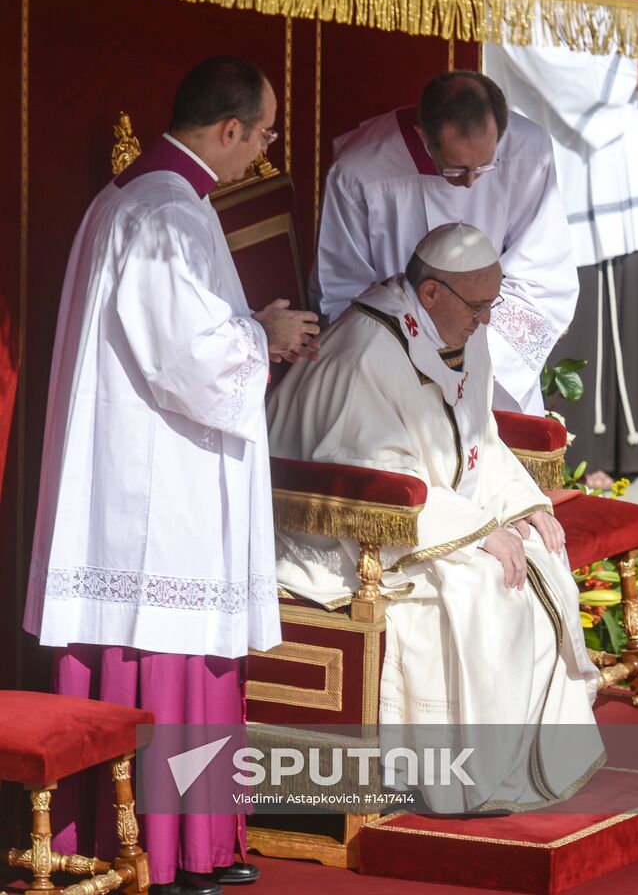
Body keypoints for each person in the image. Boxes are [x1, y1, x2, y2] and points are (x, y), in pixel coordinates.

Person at [23, 56, 320, 892]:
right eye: (261, 135)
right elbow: (188, 359)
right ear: (227, 129)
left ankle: (179, 843)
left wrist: (248, 327)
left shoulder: (142, 199)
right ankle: (167, 849)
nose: (260, 152)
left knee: (165, 643)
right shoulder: (164, 211)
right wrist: (268, 336)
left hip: (145, 467)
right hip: (158, 483)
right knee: (170, 653)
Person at [269, 223, 603, 813]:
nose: (488, 320)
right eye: (479, 306)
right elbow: (367, 469)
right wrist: (475, 530)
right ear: (430, 294)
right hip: (336, 527)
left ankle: (520, 754)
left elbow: (479, 436)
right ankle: (465, 774)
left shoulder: (458, 328)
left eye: (493, 304)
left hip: (422, 504)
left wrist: (515, 503)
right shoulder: (366, 352)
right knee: (484, 583)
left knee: (538, 550)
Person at [308, 71, 579, 415]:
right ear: (424, 137)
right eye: (455, 169)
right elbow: (343, 288)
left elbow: (544, 273)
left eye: (484, 167)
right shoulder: (359, 170)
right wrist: (413, 357)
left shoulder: (529, 152)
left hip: (493, 369)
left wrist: (473, 358)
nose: (468, 183)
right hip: (396, 370)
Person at [484, 42, 638, 483]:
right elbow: (528, 39)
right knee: (570, 283)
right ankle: (577, 451)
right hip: (569, 136)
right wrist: (621, 75)